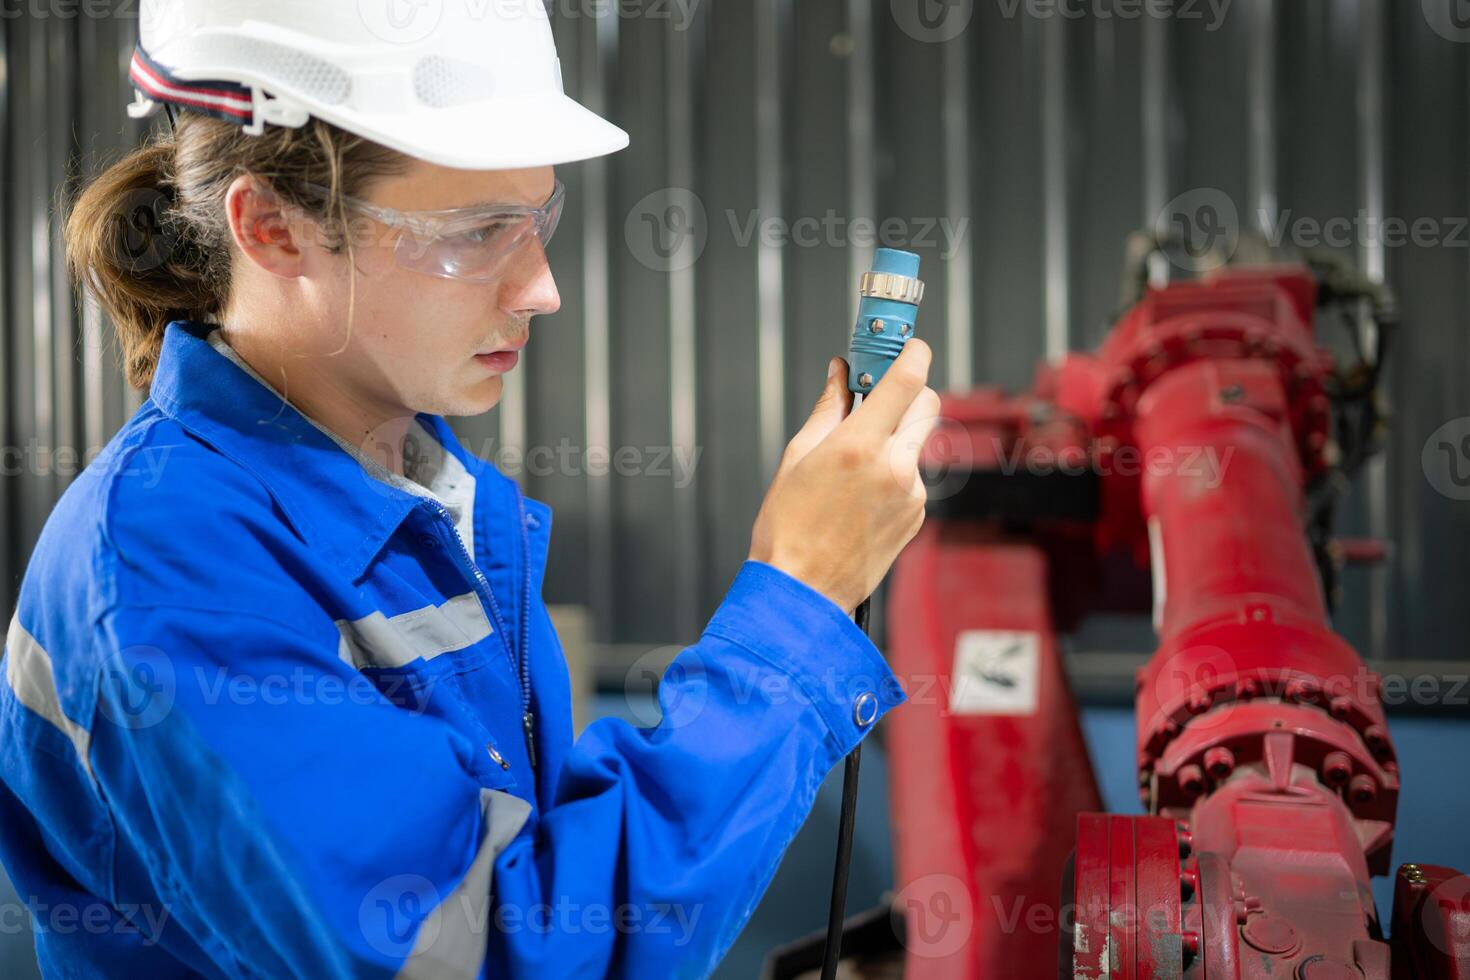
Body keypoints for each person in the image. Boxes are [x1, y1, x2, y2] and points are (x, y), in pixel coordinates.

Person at [0, 2, 939, 976]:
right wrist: (800, 595)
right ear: (271, 227)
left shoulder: (422, 499)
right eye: (477, 230)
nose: (541, 287)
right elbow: (496, 950)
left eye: (538, 219)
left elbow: (526, 863)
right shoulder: (170, 567)